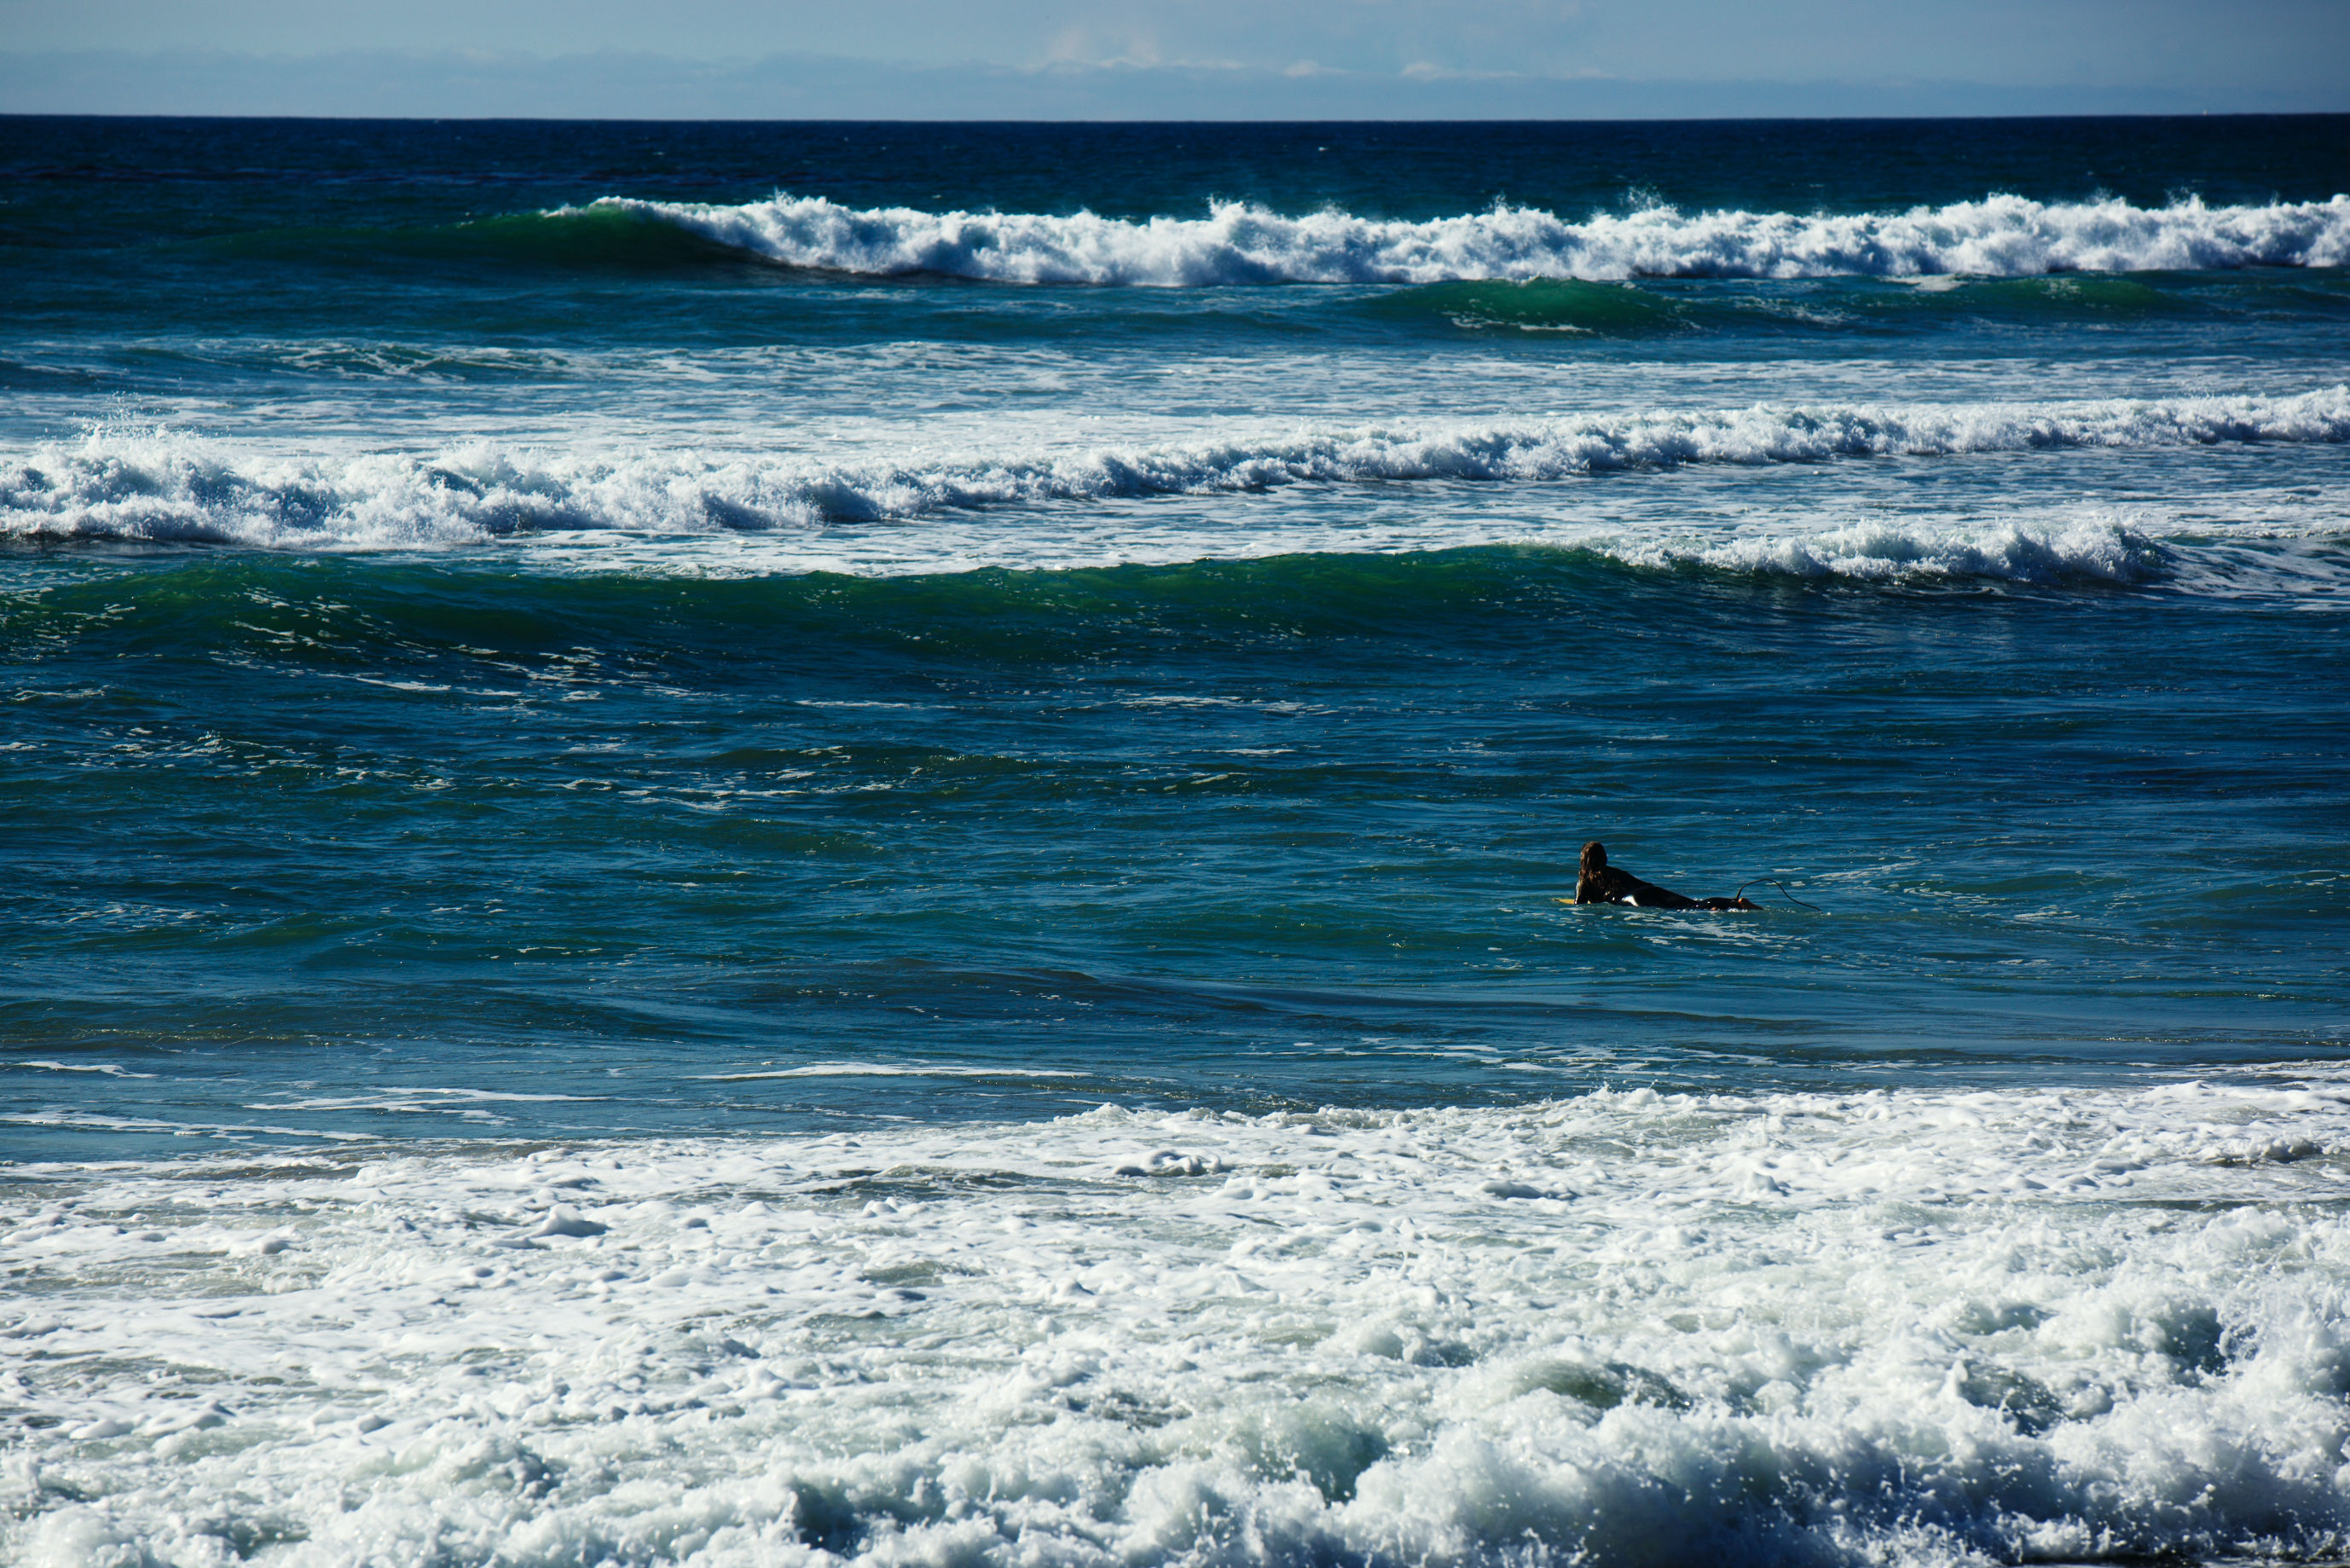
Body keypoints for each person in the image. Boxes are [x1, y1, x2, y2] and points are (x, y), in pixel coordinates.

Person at [1572, 841, 1757, 911]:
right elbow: (1646, 884)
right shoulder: (1618, 872)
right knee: (1693, 904)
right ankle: (1735, 903)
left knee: (1684, 912)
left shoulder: (1585, 879)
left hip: (1630, 900)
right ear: (1605, 858)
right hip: (1648, 890)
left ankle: (1715, 911)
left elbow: (1579, 905)